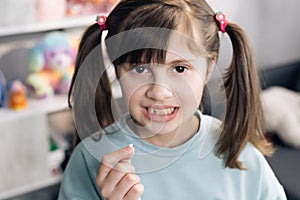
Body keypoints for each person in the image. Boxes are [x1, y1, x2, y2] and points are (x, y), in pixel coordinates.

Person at [58, 0, 287, 199]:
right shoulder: (89, 160)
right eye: (139, 68)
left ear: (208, 68)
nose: (159, 92)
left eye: (179, 68)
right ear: (117, 70)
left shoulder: (239, 154)